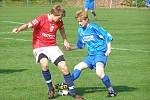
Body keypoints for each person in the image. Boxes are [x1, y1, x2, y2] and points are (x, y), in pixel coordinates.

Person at [12, 5, 83, 100]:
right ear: (53, 14)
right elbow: (28, 25)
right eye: (59, 17)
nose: (60, 19)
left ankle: (73, 92)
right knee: (44, 64)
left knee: (64, 67)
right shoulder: (41, 19)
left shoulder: (59, 21)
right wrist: (19, 29)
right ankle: (51, 89)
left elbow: (61, 29)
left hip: (52, 46)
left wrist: (65, 40)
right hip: (39, 46)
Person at [64, 10, 117, 97]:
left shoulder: (94, 27)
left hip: (100, 53)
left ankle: (111, 91)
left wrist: (109, 49)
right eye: (78, 21)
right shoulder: (80, 30)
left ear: (87, 19)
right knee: (77, 67)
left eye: (81, 21)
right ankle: (68, 85)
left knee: (99, 72)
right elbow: (80, 45)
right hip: (90, 56)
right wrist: (70, 49)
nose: (79, 23)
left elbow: (107, 36)